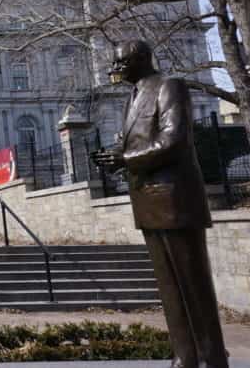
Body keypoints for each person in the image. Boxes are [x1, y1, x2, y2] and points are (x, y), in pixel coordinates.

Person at [94, 40, 228, 368]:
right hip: (147, 202)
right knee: (169, 289)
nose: (116, 70)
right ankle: (184, 356)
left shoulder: (169, 87)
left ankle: (211, 358)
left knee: (193, 285)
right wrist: (115, 157)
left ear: (140, 59)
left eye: (121, 63)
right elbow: (138, 141)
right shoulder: (133, 97)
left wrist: (125, 159)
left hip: (175, 198)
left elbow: (174, 140)